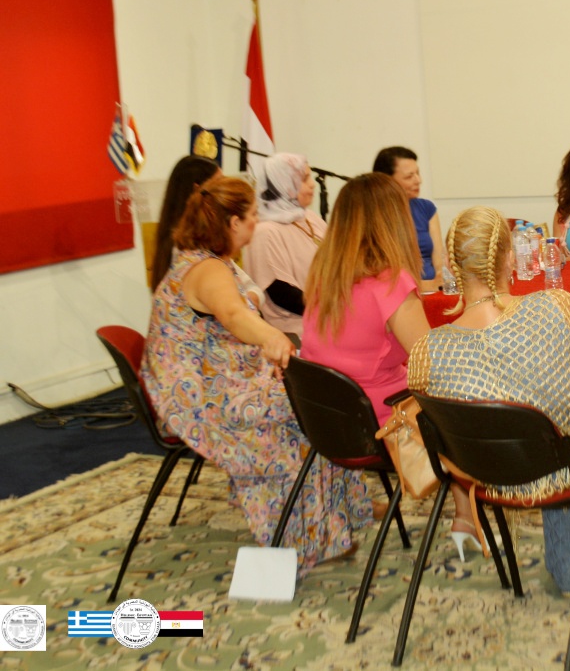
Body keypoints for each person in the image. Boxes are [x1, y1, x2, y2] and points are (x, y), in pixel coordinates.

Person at [407, 206, 570, 638]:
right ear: (509, 258)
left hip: (489, 474)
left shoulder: (428, 351)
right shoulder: (553, 306)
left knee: (537, 420)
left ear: (453, 266)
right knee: (560, 415)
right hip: (565, 469)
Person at [140, 175, 369, 574]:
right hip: (201, 397)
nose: (256, 221)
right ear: (232, 223)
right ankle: (303, 536)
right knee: (304, 410)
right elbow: (231, 314)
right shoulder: (207, 269)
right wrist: (272, 337)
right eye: (251, 215)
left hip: (219, 379)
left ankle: (334, 515)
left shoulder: (206, 261)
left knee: (314, 399)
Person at [300, 173, 430, 428]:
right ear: (397, 220)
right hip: (380, 419)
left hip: (325, 416)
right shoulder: (391, 282)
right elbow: (431, 364)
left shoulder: (324, 274)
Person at [242, 153, 326, 336]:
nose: (312, 184)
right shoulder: (264, 232)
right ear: (284, 185)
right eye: (304, 179)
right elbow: (282, 294)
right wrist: (331, 309)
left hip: (327, 320)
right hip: (296, 331)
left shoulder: (308, 217)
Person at [373, 146, 446, 292]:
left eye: (418, 173)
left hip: (433, 289)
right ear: (387, 181)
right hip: (398, 292)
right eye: (409, 177)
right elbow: (382, 276)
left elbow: (439, 259)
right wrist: (427, 285)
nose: (418, 180)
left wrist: (440, 278)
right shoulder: (373, 214)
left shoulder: (426, 208)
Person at [150, 155, 221, 292]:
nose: (224, 190)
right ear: (198, 189)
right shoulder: (187, 243)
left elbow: (248, 285)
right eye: (218, 184)